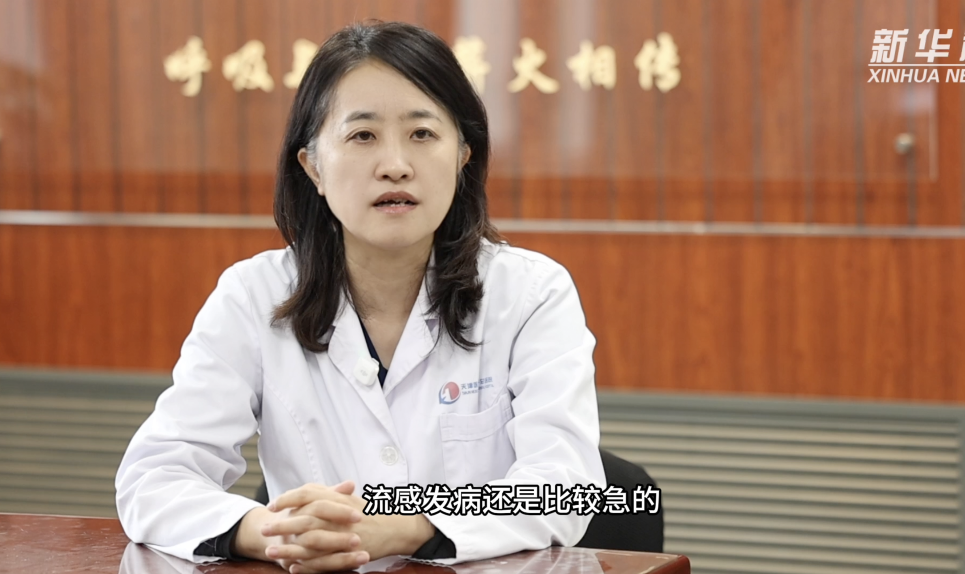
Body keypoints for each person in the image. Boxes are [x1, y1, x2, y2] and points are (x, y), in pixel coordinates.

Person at [115, 21, 605, 574]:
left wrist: (409, 528)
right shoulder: (253, 296)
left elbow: (567, 487)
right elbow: (154, 478)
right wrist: (277, 532)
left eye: (423, 133)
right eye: (363, 136)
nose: (395, 164)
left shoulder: (531, 293)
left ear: (463, 155)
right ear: (313, 166)